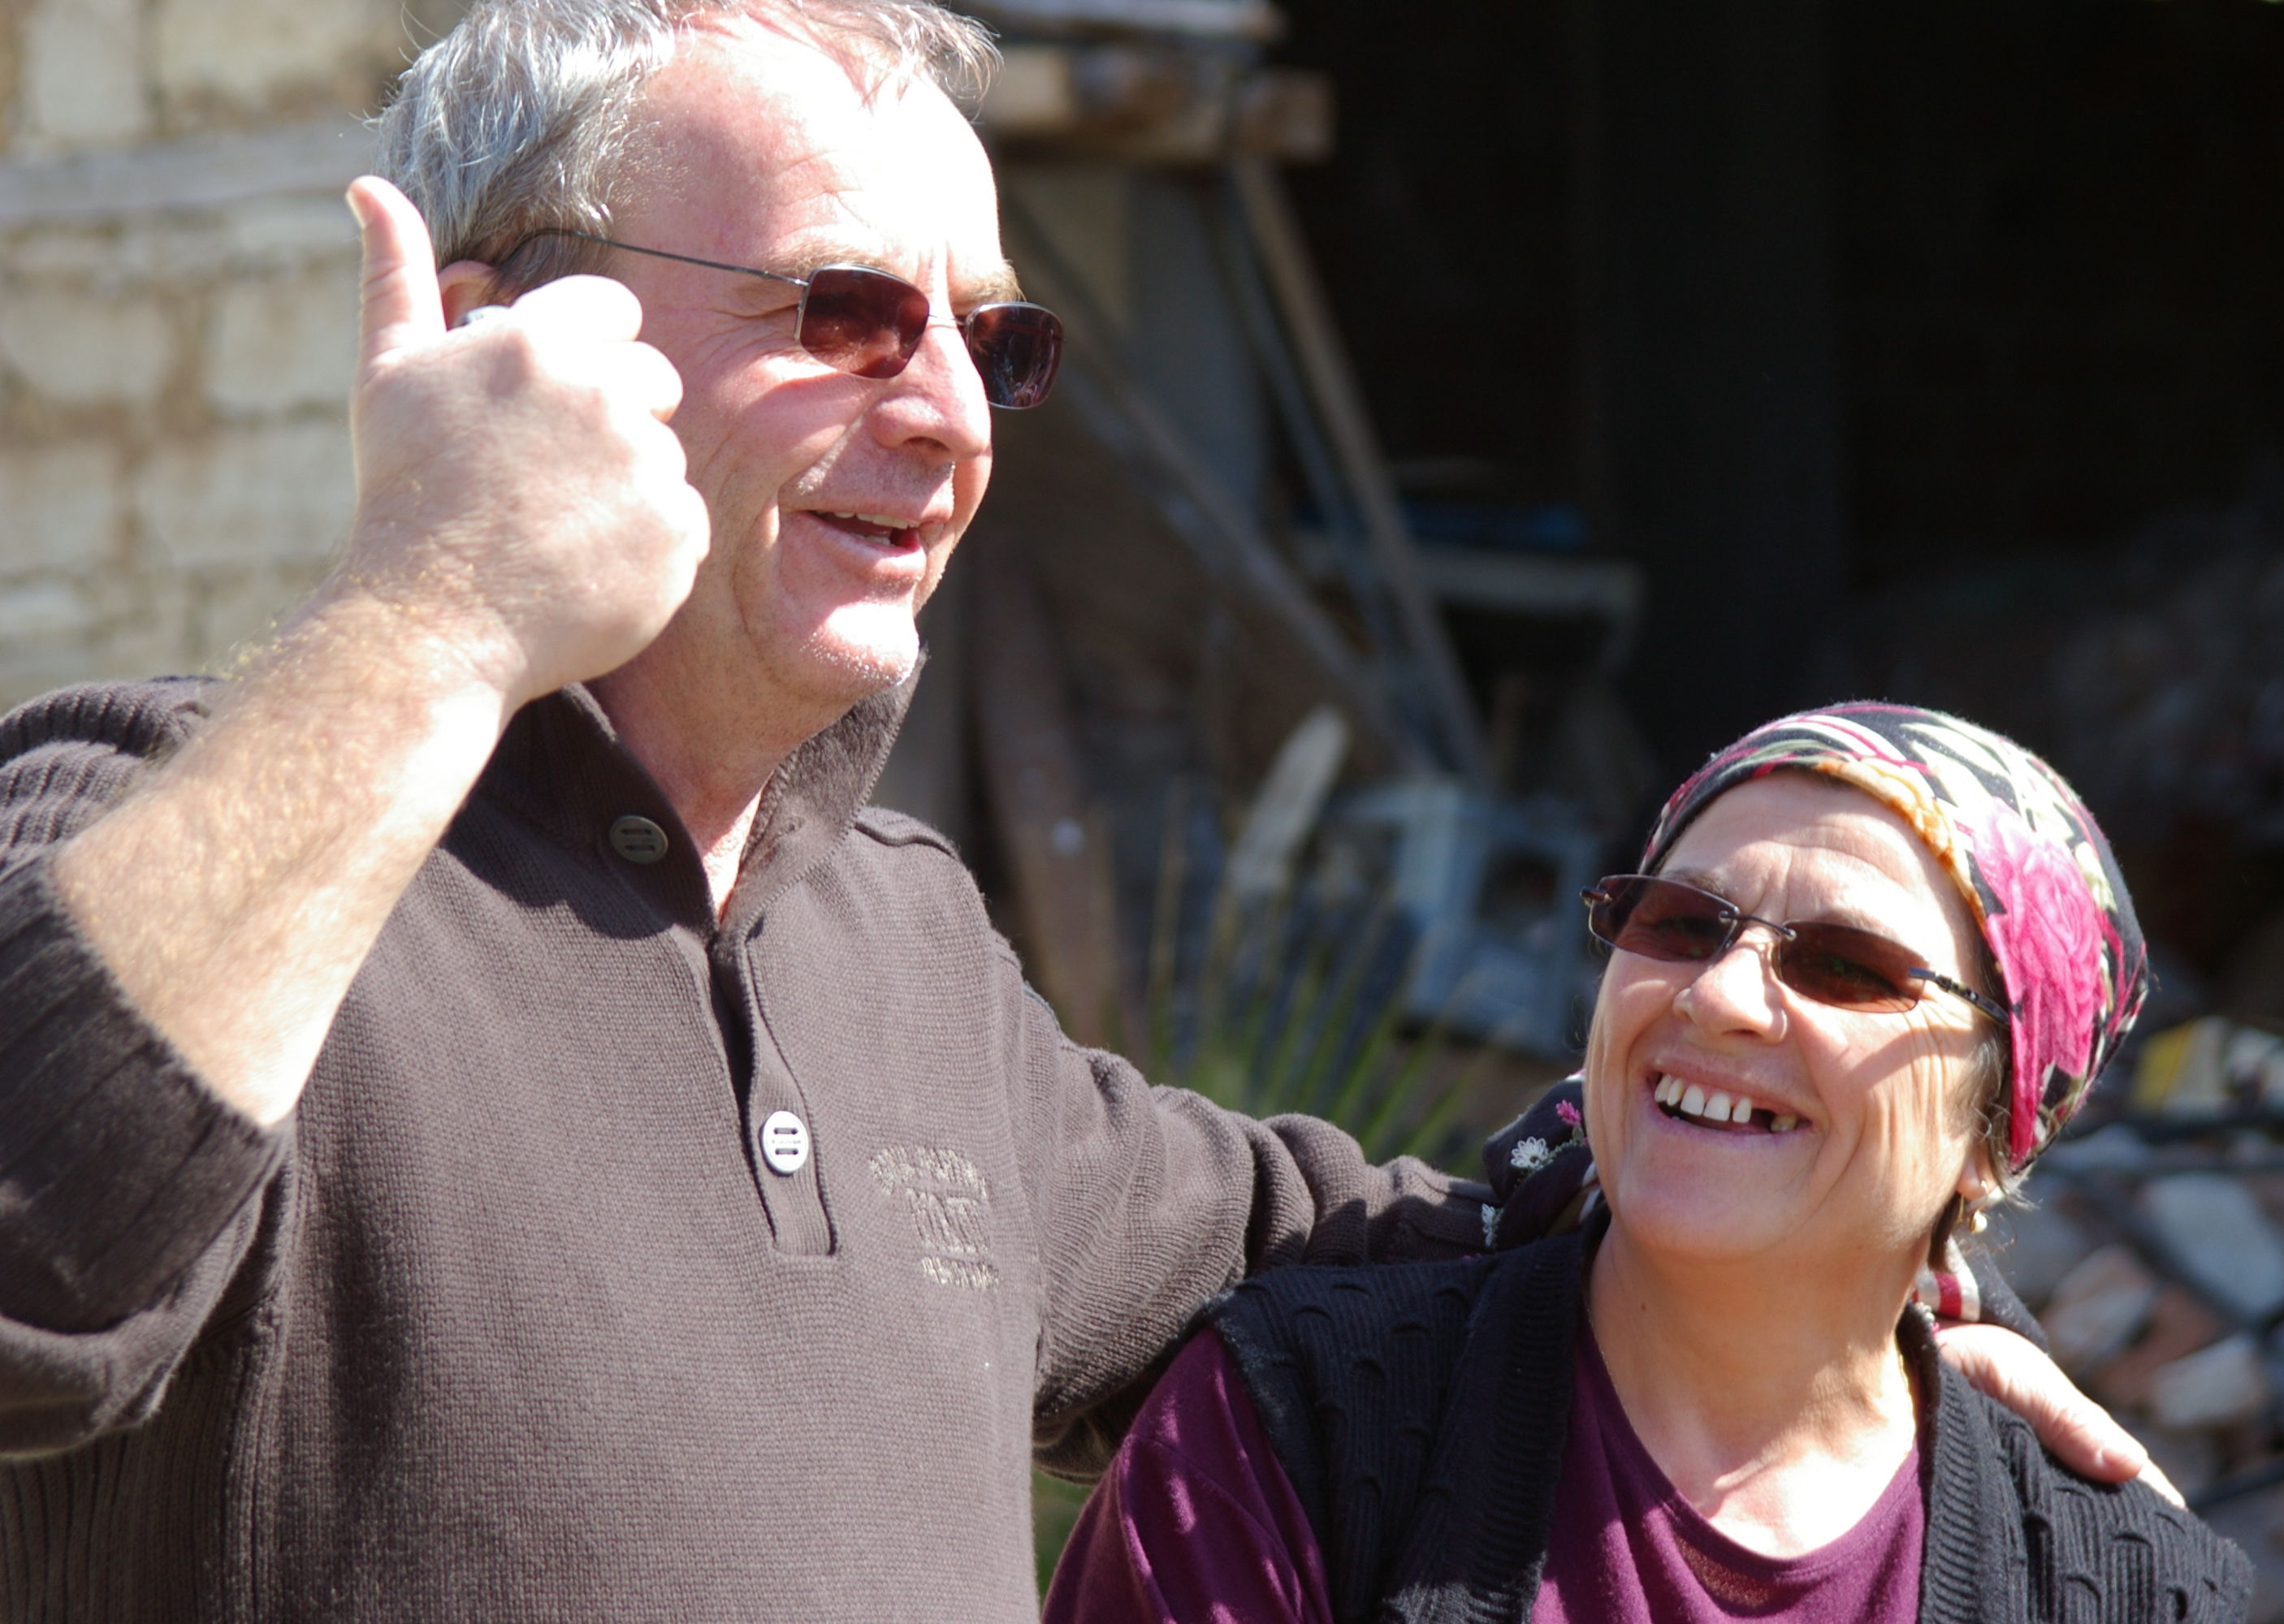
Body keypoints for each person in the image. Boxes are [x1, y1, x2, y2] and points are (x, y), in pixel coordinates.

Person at [0, 0, 2143, 1614]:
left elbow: (1348, 1249)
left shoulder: (900, 943)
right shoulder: (144, 816)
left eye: (991, 343)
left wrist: (1839, 1286)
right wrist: (436, 608)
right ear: (497, 331)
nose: (950, 419)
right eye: (846, 314)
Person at [1046, 703, 2251, 1624]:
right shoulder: (1299, 1426)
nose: (1720, 996)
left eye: (1844, 965)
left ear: (1991, 1135)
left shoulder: (2125, 1589)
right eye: (1681, 923)